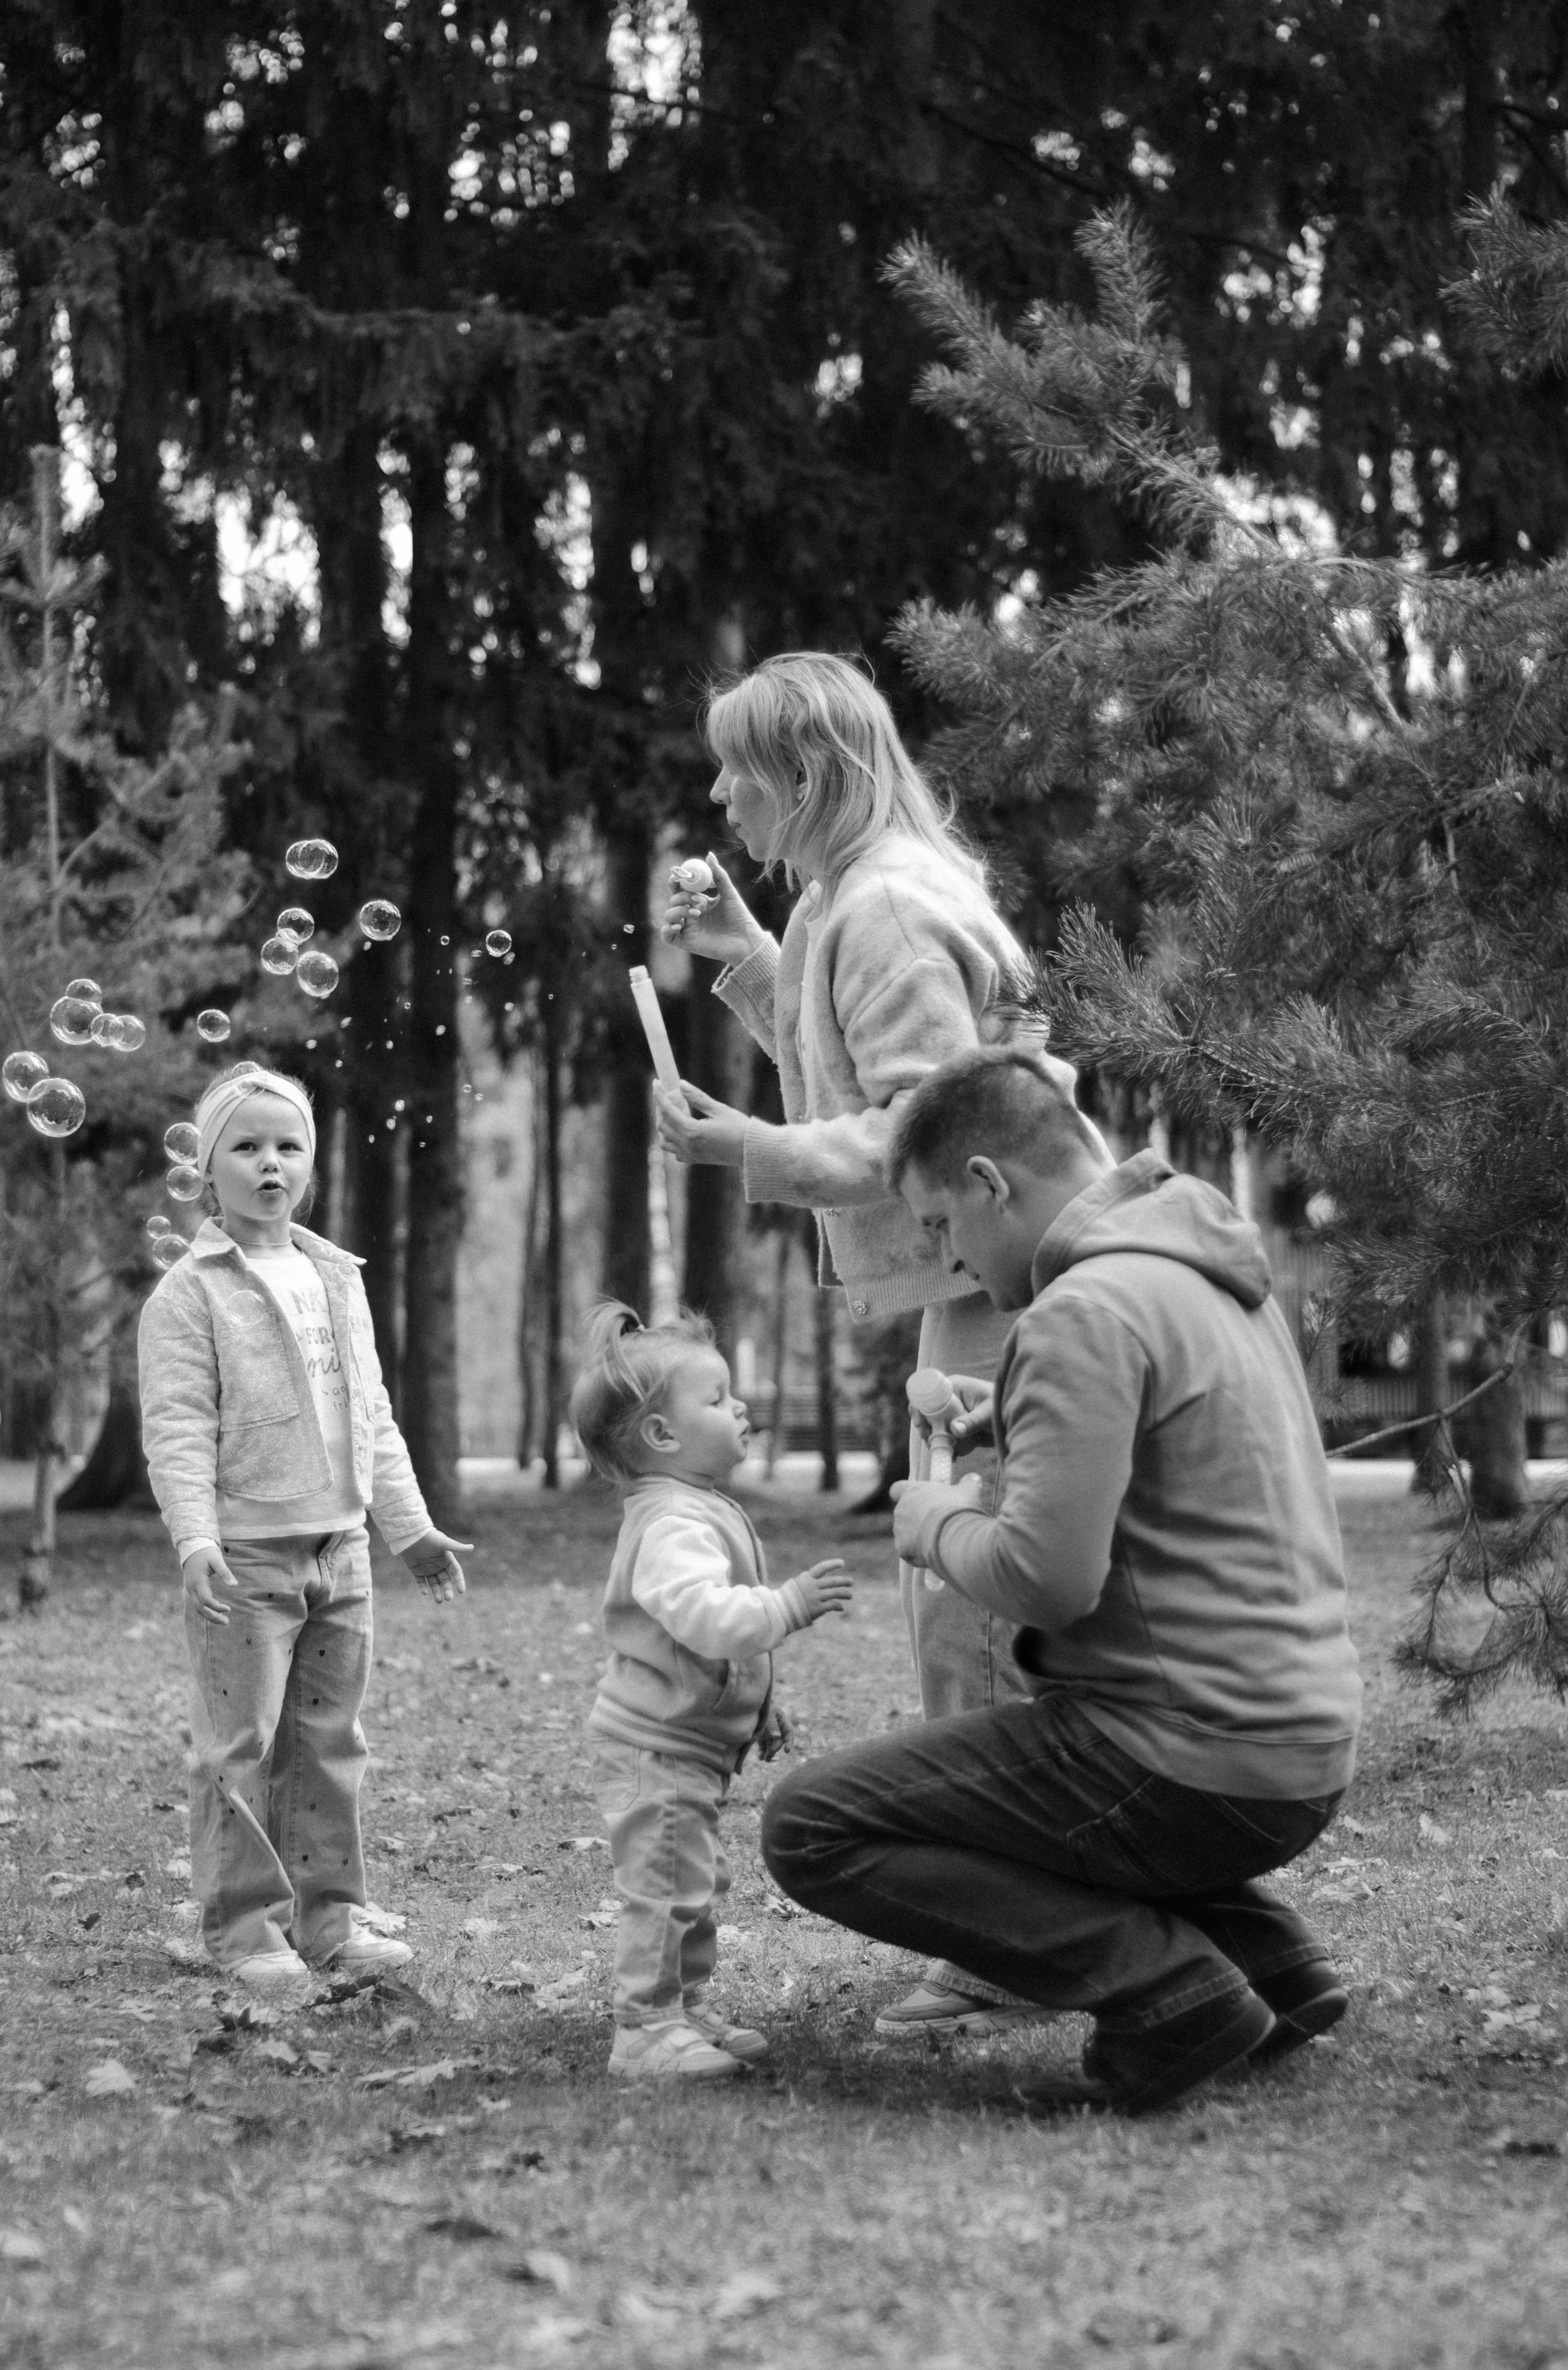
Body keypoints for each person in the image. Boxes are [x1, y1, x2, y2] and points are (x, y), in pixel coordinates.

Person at [760, 1045, 1364, 2116]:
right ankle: (1272, 1963)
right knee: (1015, 1780)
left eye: (940, 1226)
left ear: (990, 1180)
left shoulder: (1079, 1313)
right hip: (1298, 1746)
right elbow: (1184, 1443)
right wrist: (1011, 1416)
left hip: (1188, 1759)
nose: (945, 1258)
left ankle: (1167, 1990)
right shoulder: (1199, 1271)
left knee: (813, 1824)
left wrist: (938, 1519)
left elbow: (1045, 1582)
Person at [657, 648, 1103, 2038]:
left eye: (741, 767)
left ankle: (1006, 1946)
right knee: (968, 1614)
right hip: (986, 1278)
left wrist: (753, 1149)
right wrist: (745, 959)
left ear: (807, 774)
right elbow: (860, 1049)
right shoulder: (870, 892)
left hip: (998, 1289)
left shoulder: (887, 908)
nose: (722, 793)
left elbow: (930, 1122)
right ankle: (1031, 1920)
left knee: (975, 1622)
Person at [139, 1065, 472, 2003]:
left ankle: (328, 1915)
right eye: (245, 1147)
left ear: (312, 1162)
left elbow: (371, 1412)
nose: (270, 1163)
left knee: (329, 1741)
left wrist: (409, 1530)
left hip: (342, 1551)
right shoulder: (188, 1295)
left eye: (288, 1145)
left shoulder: (337, 1277)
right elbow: (175, 1428)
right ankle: (245, 1927)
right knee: (238, 1746)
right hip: (245, 1556)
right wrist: (195, 1538)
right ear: (209, 1172)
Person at [574, 1301, 853, 2081]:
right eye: (719, 1397)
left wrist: (760, 1703)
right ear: (663, 1436)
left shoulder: (691, 1507)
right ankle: (645, 2029)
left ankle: (683, 2006)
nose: (740, 1408)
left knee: (690, 1881)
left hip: (687, 1739)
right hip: (656, 1743)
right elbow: (705, 1620)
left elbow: (710, 1645)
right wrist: (788, 1607)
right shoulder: (669, 1522)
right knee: (664, 1885)